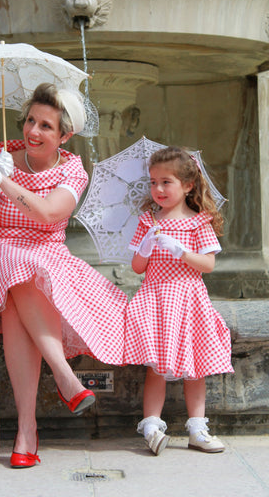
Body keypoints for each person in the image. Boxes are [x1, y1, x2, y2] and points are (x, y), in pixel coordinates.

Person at [0, 83, 128, 468]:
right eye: (30, 120)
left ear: (65, 135)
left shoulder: (72, 170)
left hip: (45, 261)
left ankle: (27, 429)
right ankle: (65, 381)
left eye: (46, 126)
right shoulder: (1, 155)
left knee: (18, 292)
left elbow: (48, 214)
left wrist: (3, 182)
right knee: (13, 262)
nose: (32, 131)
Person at [123, 146, 234, 456]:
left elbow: (208, 265)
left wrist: (180, 251)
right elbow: (137, 267)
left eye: (166, 182)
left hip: (188, 298)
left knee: (195, 367)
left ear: (187, 185)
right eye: (153, 182)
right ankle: (152, 426)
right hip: (156, 297)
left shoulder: (199, 222)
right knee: (156, 367)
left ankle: (197, 428)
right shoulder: (149, 221)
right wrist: (146, 246)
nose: (157, 189)